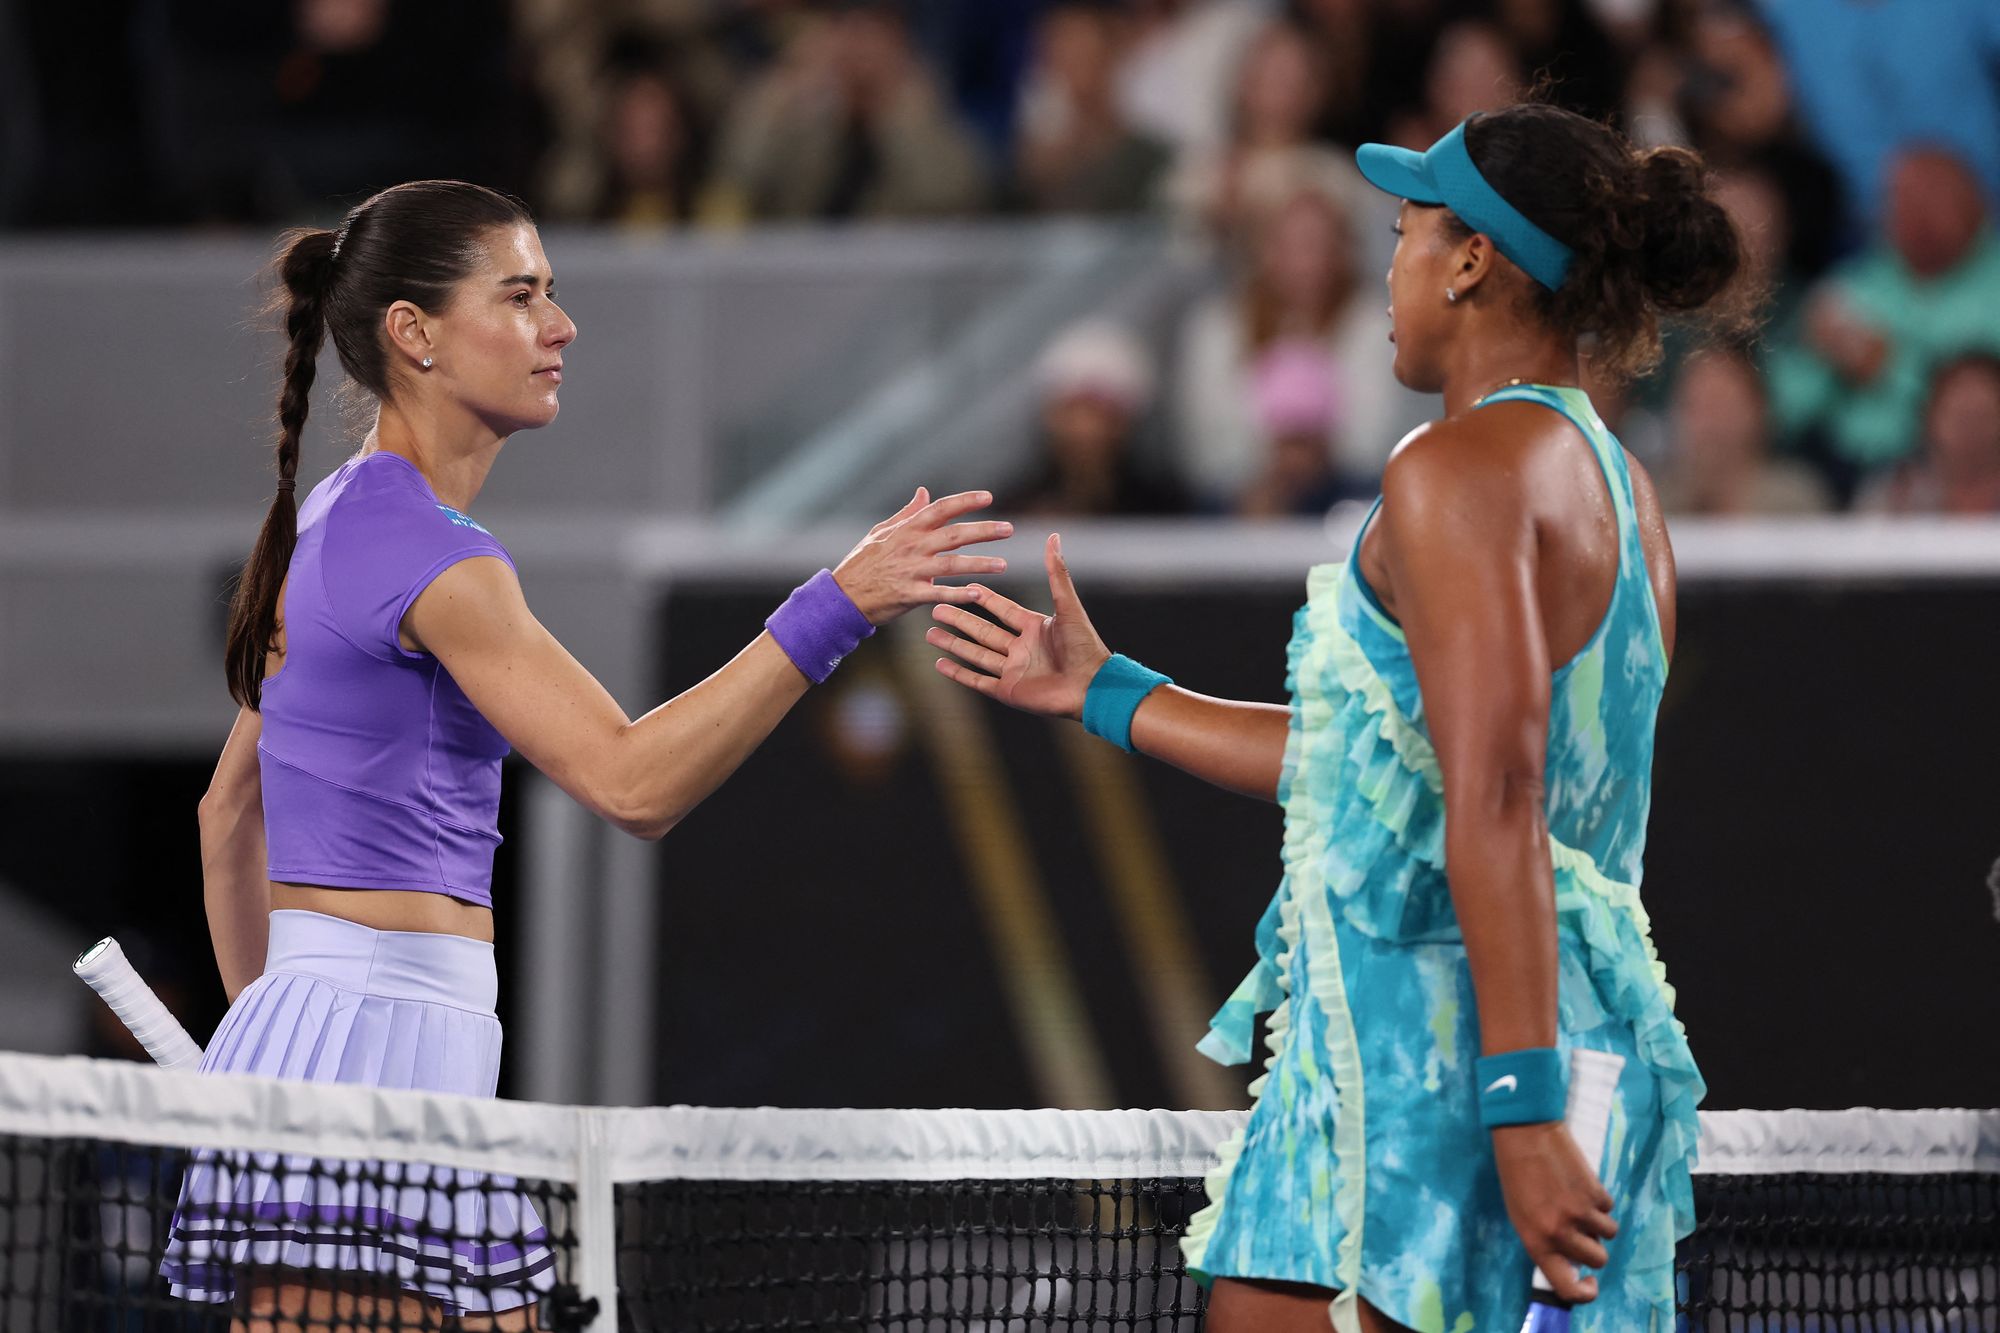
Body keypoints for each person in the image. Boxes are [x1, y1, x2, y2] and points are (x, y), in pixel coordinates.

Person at [929, 103, 1737, 1331]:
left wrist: (1513, 1103)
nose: (1391, 267)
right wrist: (1111, 693)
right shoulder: (1621, 488)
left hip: (1436, 1071)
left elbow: (1496, 791)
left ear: (1470, 258)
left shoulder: (1457, 470)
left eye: (1405, 232)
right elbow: (1399, 771)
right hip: (1561, 1049)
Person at [158, 180, 1008, 1329]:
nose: (559, 327)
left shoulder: (342, 520)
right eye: (520, 297)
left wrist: (273, 1029)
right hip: (372, 1048)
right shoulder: (428, 556)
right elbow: (632, 781)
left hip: (361, 1041)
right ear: (413, 334)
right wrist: (837, 602)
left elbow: (226, 816)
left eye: (551, 294)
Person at [1003, 321, 1184, 517]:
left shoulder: (1166, 508)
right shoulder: (1017, 508)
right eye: (1071, 410)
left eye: (1097, 413)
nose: (1083, 428)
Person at [1859, 354, 2000, 515]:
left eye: (1983, 417)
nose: (1971, 430)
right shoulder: (1893, 491)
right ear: (1930, 418)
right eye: (1961, 417)